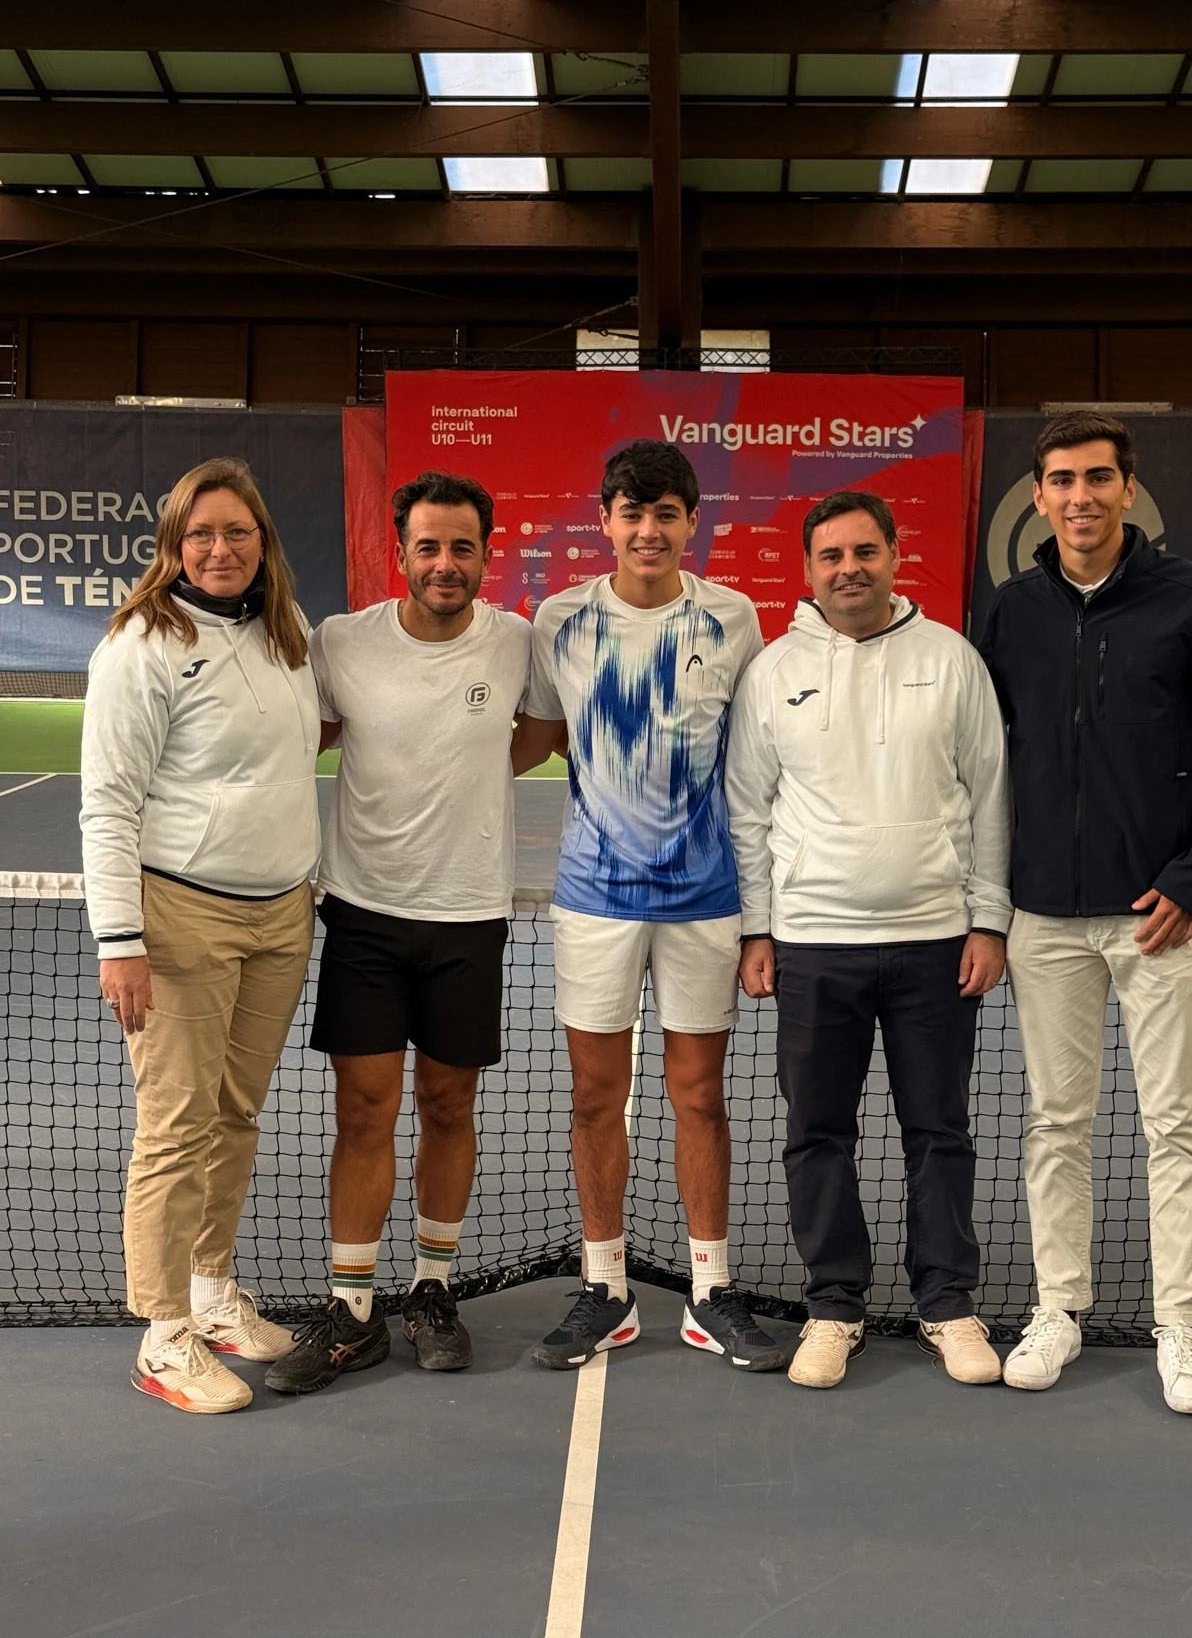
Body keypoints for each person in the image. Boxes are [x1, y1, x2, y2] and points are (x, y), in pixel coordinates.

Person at [979, 412, 1192, 1414]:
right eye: (1062, 480)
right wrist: (995, 896)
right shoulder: (1011, 613)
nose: (1081, 497)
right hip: (1045, 919)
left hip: (1163, 920)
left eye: (1098, 478)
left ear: (1127, 488)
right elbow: (985, 760)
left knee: (1176, 1126)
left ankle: (1179, 1327)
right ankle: (1058, 1309)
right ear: (1038, 496)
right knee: (1055, 1124)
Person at [727, 489, 1011, 1390]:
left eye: (864, 552)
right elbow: (747, 810)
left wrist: (990, 918)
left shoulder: (952, 659)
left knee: (940, 1131)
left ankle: (948, 1305)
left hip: (937, 943)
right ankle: (833, 1307)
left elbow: (991, 793)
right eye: (831, 556)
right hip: (813, 943)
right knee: (817, 1132)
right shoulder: (773, 671)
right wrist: (758, 928)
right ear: (809, 570)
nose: (848, 569)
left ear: (894, 555)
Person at [510, 440, 784, 1372]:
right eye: (632, 513)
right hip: (594, 899)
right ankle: (606, 1289)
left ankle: (711, 1292)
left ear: (690, 522)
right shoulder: (560, 619)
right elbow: (541, 736)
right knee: (596, 1095)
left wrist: (762, 915)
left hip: (707, 899)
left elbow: (755, 759)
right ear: (607, 520)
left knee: (700, 1095)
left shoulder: (733, 618)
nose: (649, 530)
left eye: (667, 513)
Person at [265, 471, 531, 1396]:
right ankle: (353, 1310)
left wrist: (461, 783)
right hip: (365, 916)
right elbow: (299, 737)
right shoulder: (342, 642)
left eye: (462, 547)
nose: (444, 563)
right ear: (401, 552)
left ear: (486, 555)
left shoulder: (517, 643)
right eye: (428, 546)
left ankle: (432, 1290)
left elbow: (536, 737)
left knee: (449, 1107)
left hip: (470, 915)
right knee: (364, 1111)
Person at [81, 457, 319, 1413]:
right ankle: (164, 1334)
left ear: (264, 541)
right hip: (179, 916)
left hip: (281, 913)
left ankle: (213, 1294)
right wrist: (119, 940)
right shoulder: (140, 644)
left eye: (238, 532)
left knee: (235, 1115)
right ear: (175, 545)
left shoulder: (286, 632)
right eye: (202, 533)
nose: (221, 549)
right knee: (177, 1127)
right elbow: (108, 803)